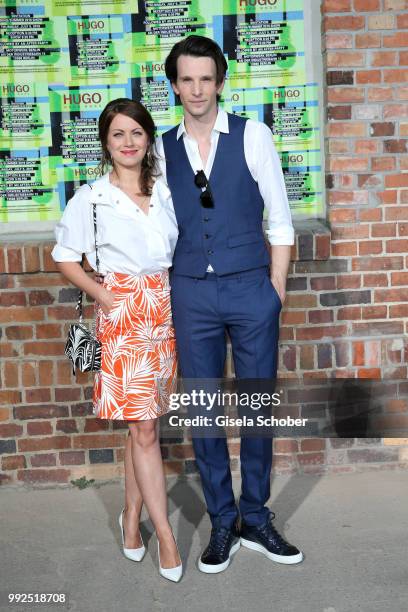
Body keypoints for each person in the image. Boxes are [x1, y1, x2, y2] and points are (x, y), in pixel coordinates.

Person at [156, 35, 304, 573]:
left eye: (205, 78)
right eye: (186, 79)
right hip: (190, 288)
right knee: (202, 408)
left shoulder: (253, 135)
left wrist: (275, 292)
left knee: (258, 404)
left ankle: (257, 516)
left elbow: (281, 219)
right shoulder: (159, 146)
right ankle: (222, 521)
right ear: (175, 85)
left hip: (250, 287)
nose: (196, 89)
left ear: (220, 82)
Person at [52, 98, 182, 583]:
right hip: (124, 312)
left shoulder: (165, 191)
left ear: (148, 139)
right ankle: (165, 536)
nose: (128, 143)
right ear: (106, 144)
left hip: (163, 310)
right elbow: (65, 256)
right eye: (118, 135)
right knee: (146, 429)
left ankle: (131, 519)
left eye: (136, 133)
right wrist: (103, 295)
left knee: (140, 425)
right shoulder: (91, 198)